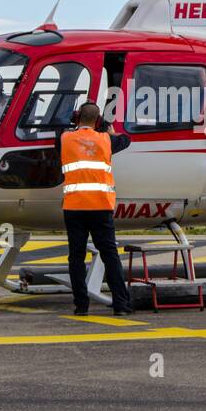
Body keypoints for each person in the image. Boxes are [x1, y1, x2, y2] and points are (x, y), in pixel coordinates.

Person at [57, 101, 133, 316]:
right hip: (101, 206)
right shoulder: (107, 140)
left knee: (76, 257)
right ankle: (121, 305)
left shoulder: (65, 138)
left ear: (78, 117)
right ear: (98, 120)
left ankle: (81, 306)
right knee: (110, 254)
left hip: (74, 206)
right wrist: (110, 130)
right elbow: (126, 140)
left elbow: (58, 138)